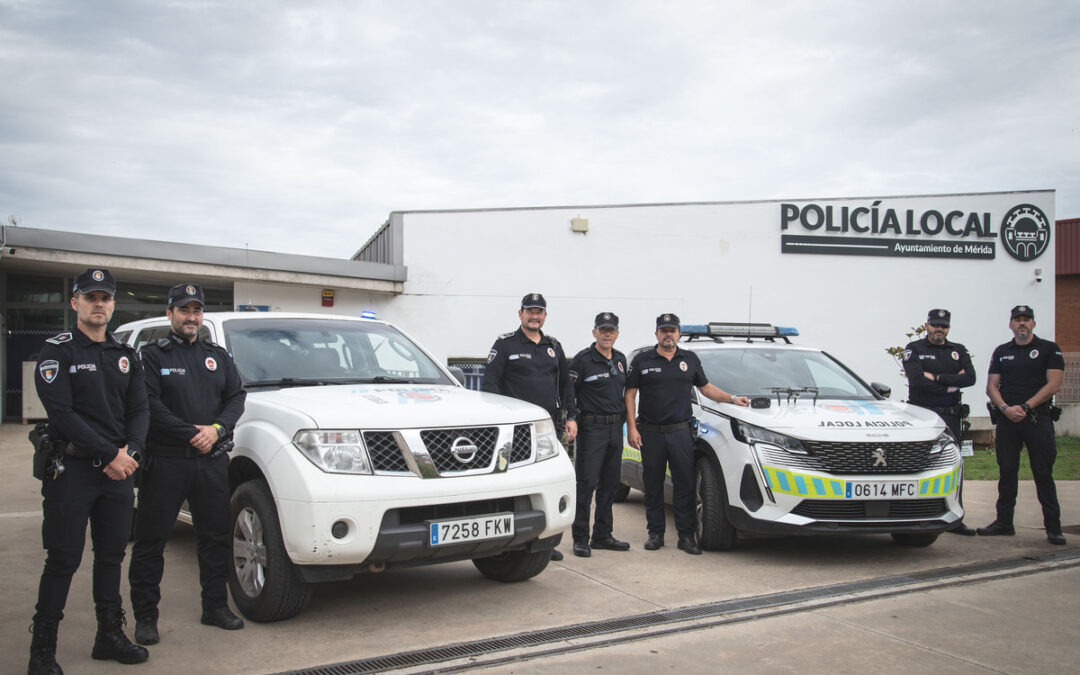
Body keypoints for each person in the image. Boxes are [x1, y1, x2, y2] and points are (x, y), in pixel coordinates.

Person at [29, 268, 149, 674]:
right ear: (75, 302)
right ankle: (42, 651)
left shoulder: (124, 354)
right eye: (91, 297)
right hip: (73, 472)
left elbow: (139, 410)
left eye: (106, 298)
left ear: (113, 304)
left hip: (117, 473)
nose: (99, 304)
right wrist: (109, 455)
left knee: (112, 556)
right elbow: (61, 414)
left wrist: (130, 452)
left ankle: (109, 636)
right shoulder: (57, 352)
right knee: (62, 559)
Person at [129, 283, 247, 644]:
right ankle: (146, 617)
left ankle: (214, 607)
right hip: (166, 462)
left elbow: (236, 396)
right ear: (170, 314)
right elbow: (148, 404)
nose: (191, 317)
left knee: (214, 538)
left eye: (196, 310)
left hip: (210, 462)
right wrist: (188, 433)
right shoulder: (153, 355)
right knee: (151, 542)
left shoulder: (217, 355)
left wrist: (216, 430)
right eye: (184, 310)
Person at [625, 314, 749, 554]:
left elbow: (706, 388)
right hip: (651, 433)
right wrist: (632, 427)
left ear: (678, 333)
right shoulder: (642, 360)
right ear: (657, 334)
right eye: (663, 330)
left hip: (681, 432)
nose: (668, 334)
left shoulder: (689, 359)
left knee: (685, 485)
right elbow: (630, 394)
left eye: (672, 330)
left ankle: (686, 536)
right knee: (653, 484)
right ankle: (655, 534)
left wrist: (732, 398)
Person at [483, 292, 571, 560]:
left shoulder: (553, 346)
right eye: (530, 311)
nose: (535, 316)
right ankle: (506, 542)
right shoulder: (505, 344)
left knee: (547, 484)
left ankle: (545, 542)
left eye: (539, 311)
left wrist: (572, 417)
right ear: (520, 314)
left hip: (546, 430)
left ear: (545, 316)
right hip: (514, 432)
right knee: (514, 486)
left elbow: (566, 385)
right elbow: (490, 383)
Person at [979, 305, 1067, 545]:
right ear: (1011, 324)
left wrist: (1026, 407)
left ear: (1033, 324)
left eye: (1026, 319)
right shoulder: (1002, 351)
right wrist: (1006, 409)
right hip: (1008, 420)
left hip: (1037, 418)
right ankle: (1004, 522)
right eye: (1017, 319)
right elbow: (991, 386)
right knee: (1007, 472)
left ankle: (1054, 527)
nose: (1022, 323)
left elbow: (1054, 384)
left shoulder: (1049, 349)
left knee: (1042, 473)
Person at [902, 309, 977, 536]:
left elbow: (970, 378)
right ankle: (913, 513)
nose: (939, 329)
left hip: (950, 416)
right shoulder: (914, 349)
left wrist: (936, 378)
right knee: (917, 465)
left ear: (948, 328)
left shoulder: (957, 350)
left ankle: (955, 516)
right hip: (922, 416)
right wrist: (952, 383)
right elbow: (916, 380)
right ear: (926, 326)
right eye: (935, 325)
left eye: (943, 326)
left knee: (953, 465)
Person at [566, 312, 631, 558]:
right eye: (603, 330)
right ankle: (580, 538)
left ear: (616, 333)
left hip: (616, 428)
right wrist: (571, 418)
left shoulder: (621, 359)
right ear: (594, 332)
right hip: (592, 429)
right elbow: (569, 392)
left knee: (610, 484)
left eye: (611, 330)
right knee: (586, 484)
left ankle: (603, 534)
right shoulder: (583, 360)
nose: (607, 334)